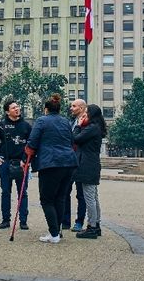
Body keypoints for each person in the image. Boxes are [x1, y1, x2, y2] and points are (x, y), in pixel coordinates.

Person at [25, 94, 78, 244]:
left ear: (46, 109)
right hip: (68, 162)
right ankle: (57, 230)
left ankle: (54, 233)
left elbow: (33, 142)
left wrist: (28, 154)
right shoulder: (66, 122)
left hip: (50, 163)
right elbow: (72, 141)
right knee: (60, 198)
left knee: (47, 199)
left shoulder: (42, 121)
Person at [0, 99, 31, 230]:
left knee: (22, 193)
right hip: (6, 163)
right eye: (13, 108)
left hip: (21, 163)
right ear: (7, 111)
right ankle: (5, 219)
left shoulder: (26, 126)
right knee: (5, 192)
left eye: (18, 107)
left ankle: (23, 221)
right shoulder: (1, 125)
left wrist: (25, 160)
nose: (17, 109)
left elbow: (31, 144)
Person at [73, 104, 105, 239]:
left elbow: (75, 138)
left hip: (87, 165)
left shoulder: (92, 128)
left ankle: (92, 227)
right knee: (93, 196)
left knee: (89, 197)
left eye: (86, 112)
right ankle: (96, 225)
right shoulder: (96, 128)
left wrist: (78, 126)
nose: (84, 114)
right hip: (91, 164)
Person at [63, 99, 87, 232]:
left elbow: (77, 139)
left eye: (74, 106)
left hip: (81, 162)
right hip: (69, 161)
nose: (71, 108)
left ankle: (79, 221)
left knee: (81, 194)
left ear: (82, 108)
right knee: (65, 192)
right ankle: (65, 221)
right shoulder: (71, 122)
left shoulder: (87, 123)